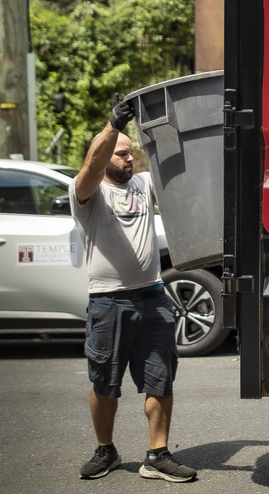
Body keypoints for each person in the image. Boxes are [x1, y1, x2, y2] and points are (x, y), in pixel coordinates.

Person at [72, 97, 197, 483]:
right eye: (121, 153)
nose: (129, 159)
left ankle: (157, 455)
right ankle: (105, 450)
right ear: (107, 154)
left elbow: (180, 174)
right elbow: (92, 166)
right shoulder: (88, 194)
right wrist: (112, 127)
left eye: (131, 152)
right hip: (108, 302)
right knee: (104, 381)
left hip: (154, 297)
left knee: (161, 378)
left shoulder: (144, 185)